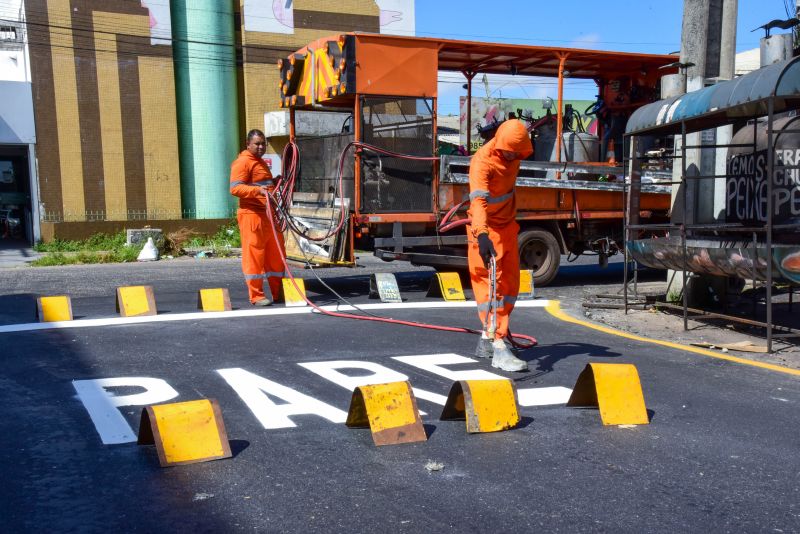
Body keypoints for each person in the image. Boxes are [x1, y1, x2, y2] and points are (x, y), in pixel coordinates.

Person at [467, 119, 533, 372]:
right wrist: (482, 235)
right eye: (509, 152)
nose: (512, 156)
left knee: (509, 286)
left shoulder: (514, 155)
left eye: (517, 153)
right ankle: (498, 347)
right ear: (500, 144)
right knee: (491, 287)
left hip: (507, 227)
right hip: (487, 230)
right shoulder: (483, 162)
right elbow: (478, 202)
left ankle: (487, 340)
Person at [230, 129, 285, 306]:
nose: (261, 146)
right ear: (248, 144)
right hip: (252, 216)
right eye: (257, 144)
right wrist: (257, 191)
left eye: (263, 143)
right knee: (254, 256)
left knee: (275, 255)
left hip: (268, 215)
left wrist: (274, 182)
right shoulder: (243, 162)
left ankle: (278, 292)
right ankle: (256, 295)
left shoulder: (259, 162)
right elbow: (235, 188)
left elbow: (263, 184)